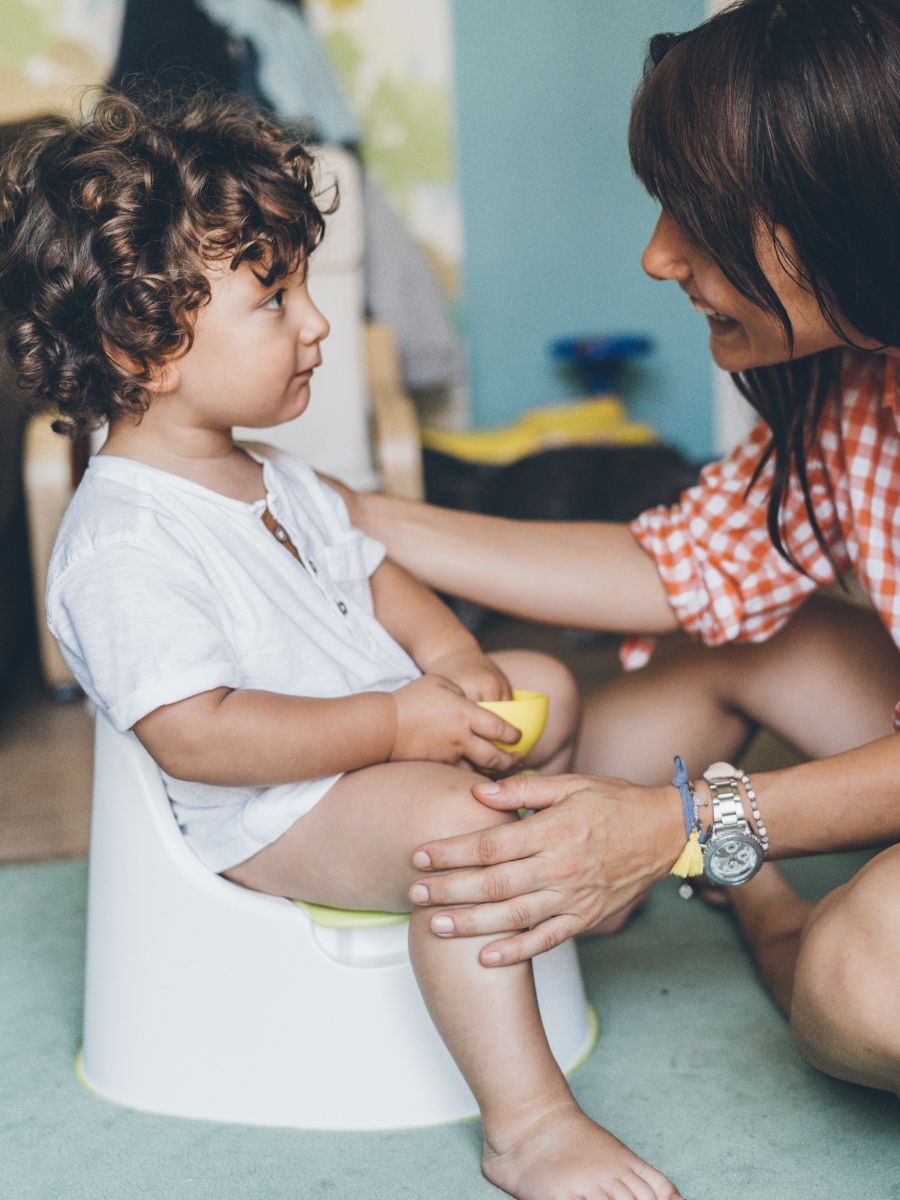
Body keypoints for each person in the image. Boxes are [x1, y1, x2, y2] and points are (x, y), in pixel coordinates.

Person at [0, 89, 688, 1200]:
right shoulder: (123, 537)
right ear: (145, 342)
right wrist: (396, 724)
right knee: (463, 829)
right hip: (274, 810)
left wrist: (456, 663)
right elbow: (199, 737)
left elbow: (382, 579)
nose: (315, 321)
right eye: (275, 298)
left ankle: (563, 895)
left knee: (548, 682)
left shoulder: (271, 473)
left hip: (379, 747)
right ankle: (529, 1124)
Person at [343, 0, 900, 1097]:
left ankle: (766, 913)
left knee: (861, 982)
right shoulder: (856, 385)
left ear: (841, 203)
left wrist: (683, 833)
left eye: (695, 214)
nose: (656, 256)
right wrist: (361, 518)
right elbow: (677, 569)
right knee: (731, 653)